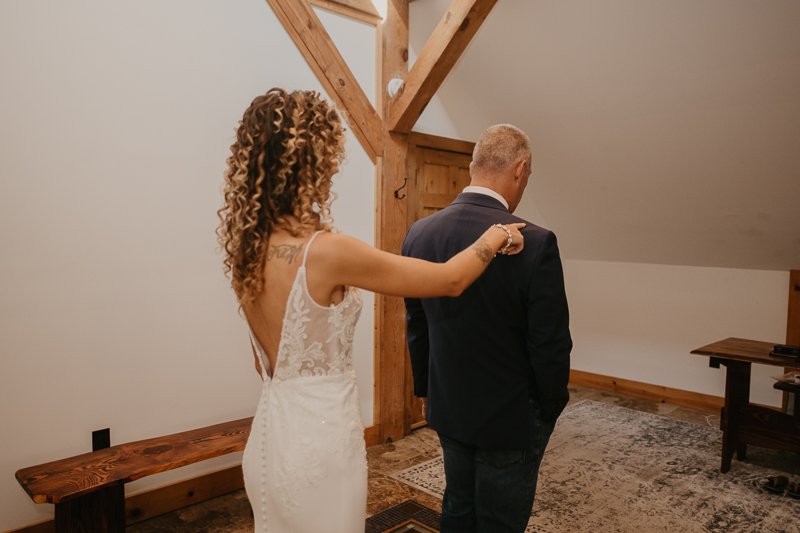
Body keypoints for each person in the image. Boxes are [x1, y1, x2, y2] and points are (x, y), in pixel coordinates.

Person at [216, 89, 527, 533]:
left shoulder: (249, 252)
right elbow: (450, 279)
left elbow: (267, 361)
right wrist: (499, 234)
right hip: (321, 443)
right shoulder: (328, 252)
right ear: (310, 163)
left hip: (270, 436)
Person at [402, 124, 572, 533]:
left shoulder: (420, 233)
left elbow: (417, 322)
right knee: (500, 521)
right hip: (509, 413)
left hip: (447, 402)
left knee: (458, 507)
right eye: (526, 177)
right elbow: (549, 343)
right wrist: (549, 406)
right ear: (520, 169)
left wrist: (426, 390)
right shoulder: (535, 242)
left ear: (474, 165)